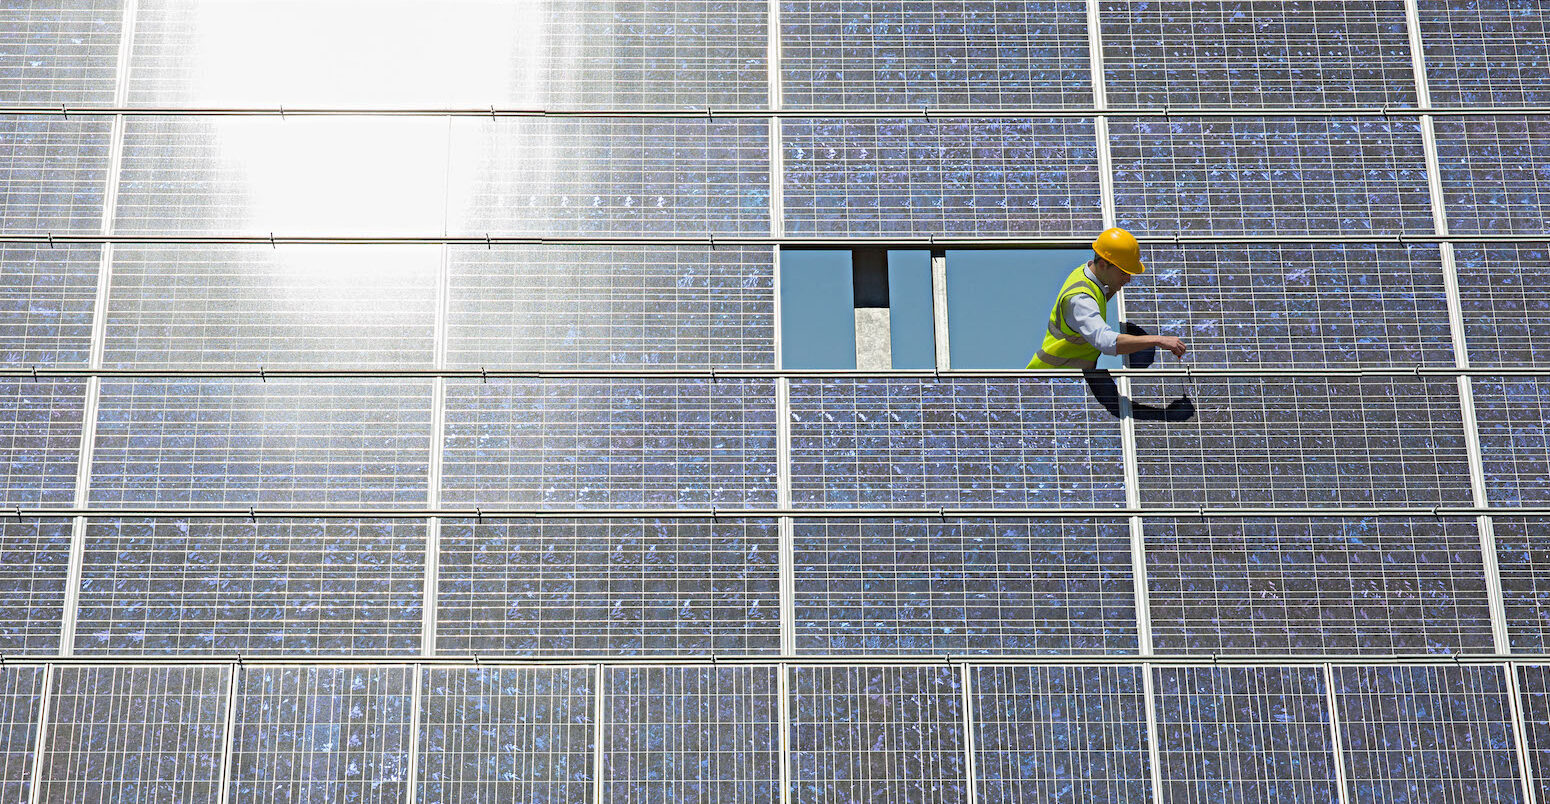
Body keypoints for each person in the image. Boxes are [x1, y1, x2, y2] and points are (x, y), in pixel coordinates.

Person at [1026, 227, 1188, 370]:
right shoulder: (1080, 299)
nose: (1128, 279)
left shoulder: (1089, 274)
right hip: (1052, 382)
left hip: (1067, 384)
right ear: (1103, 264)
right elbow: (1106, 342)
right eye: (1123, 272)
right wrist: (1158, 340)